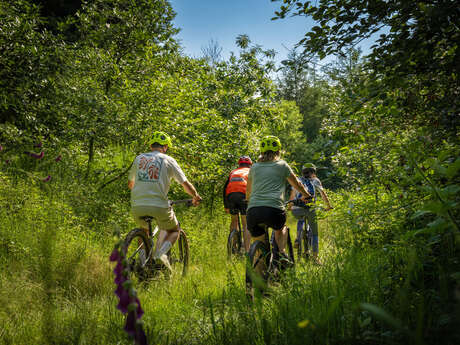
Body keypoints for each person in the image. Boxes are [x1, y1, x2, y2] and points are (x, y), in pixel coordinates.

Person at [128, 131, 202, 271]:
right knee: (174, 230)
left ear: (151, 146)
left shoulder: (139, 159)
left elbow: (130, 184)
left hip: (137, 205)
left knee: (144, 231)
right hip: (159, 206)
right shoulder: (168, 160)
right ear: (166, 147)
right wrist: (195, 196)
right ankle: (160, 256)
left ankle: (143, 264)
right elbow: (185, 184)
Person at [246, 135, 312, 263]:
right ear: (278, 151)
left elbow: (248, 190)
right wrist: (306, 195)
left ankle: (259, 276)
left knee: (260, 248)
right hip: (274, 210)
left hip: (253, 211)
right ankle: (282, 253)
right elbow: (297, 184)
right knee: (280, 228)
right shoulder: (282, 165)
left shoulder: (254, 167)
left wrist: (248, 200)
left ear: (262, 152)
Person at [289, 163, 332, 265]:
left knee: (300, 218)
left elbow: (292, 195)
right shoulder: (315, 180)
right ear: (313, 172)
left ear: (303, 172)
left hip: (296, 210)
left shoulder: (297, 180)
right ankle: (315, 258)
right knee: (314, 232)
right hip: (310, 209)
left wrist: (290, 207)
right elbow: (323, 194)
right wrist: (328, 206)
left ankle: (298, 238)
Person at [223, 156, 252, 254]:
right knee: (246, 224)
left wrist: (226, 205)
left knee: (234, 220)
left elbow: (225, 188)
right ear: (250, 165)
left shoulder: (233, 172)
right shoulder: (251, 172)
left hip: (230, 196)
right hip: (243, 195)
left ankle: (233, 247)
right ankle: (247, 251)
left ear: (239, 164)